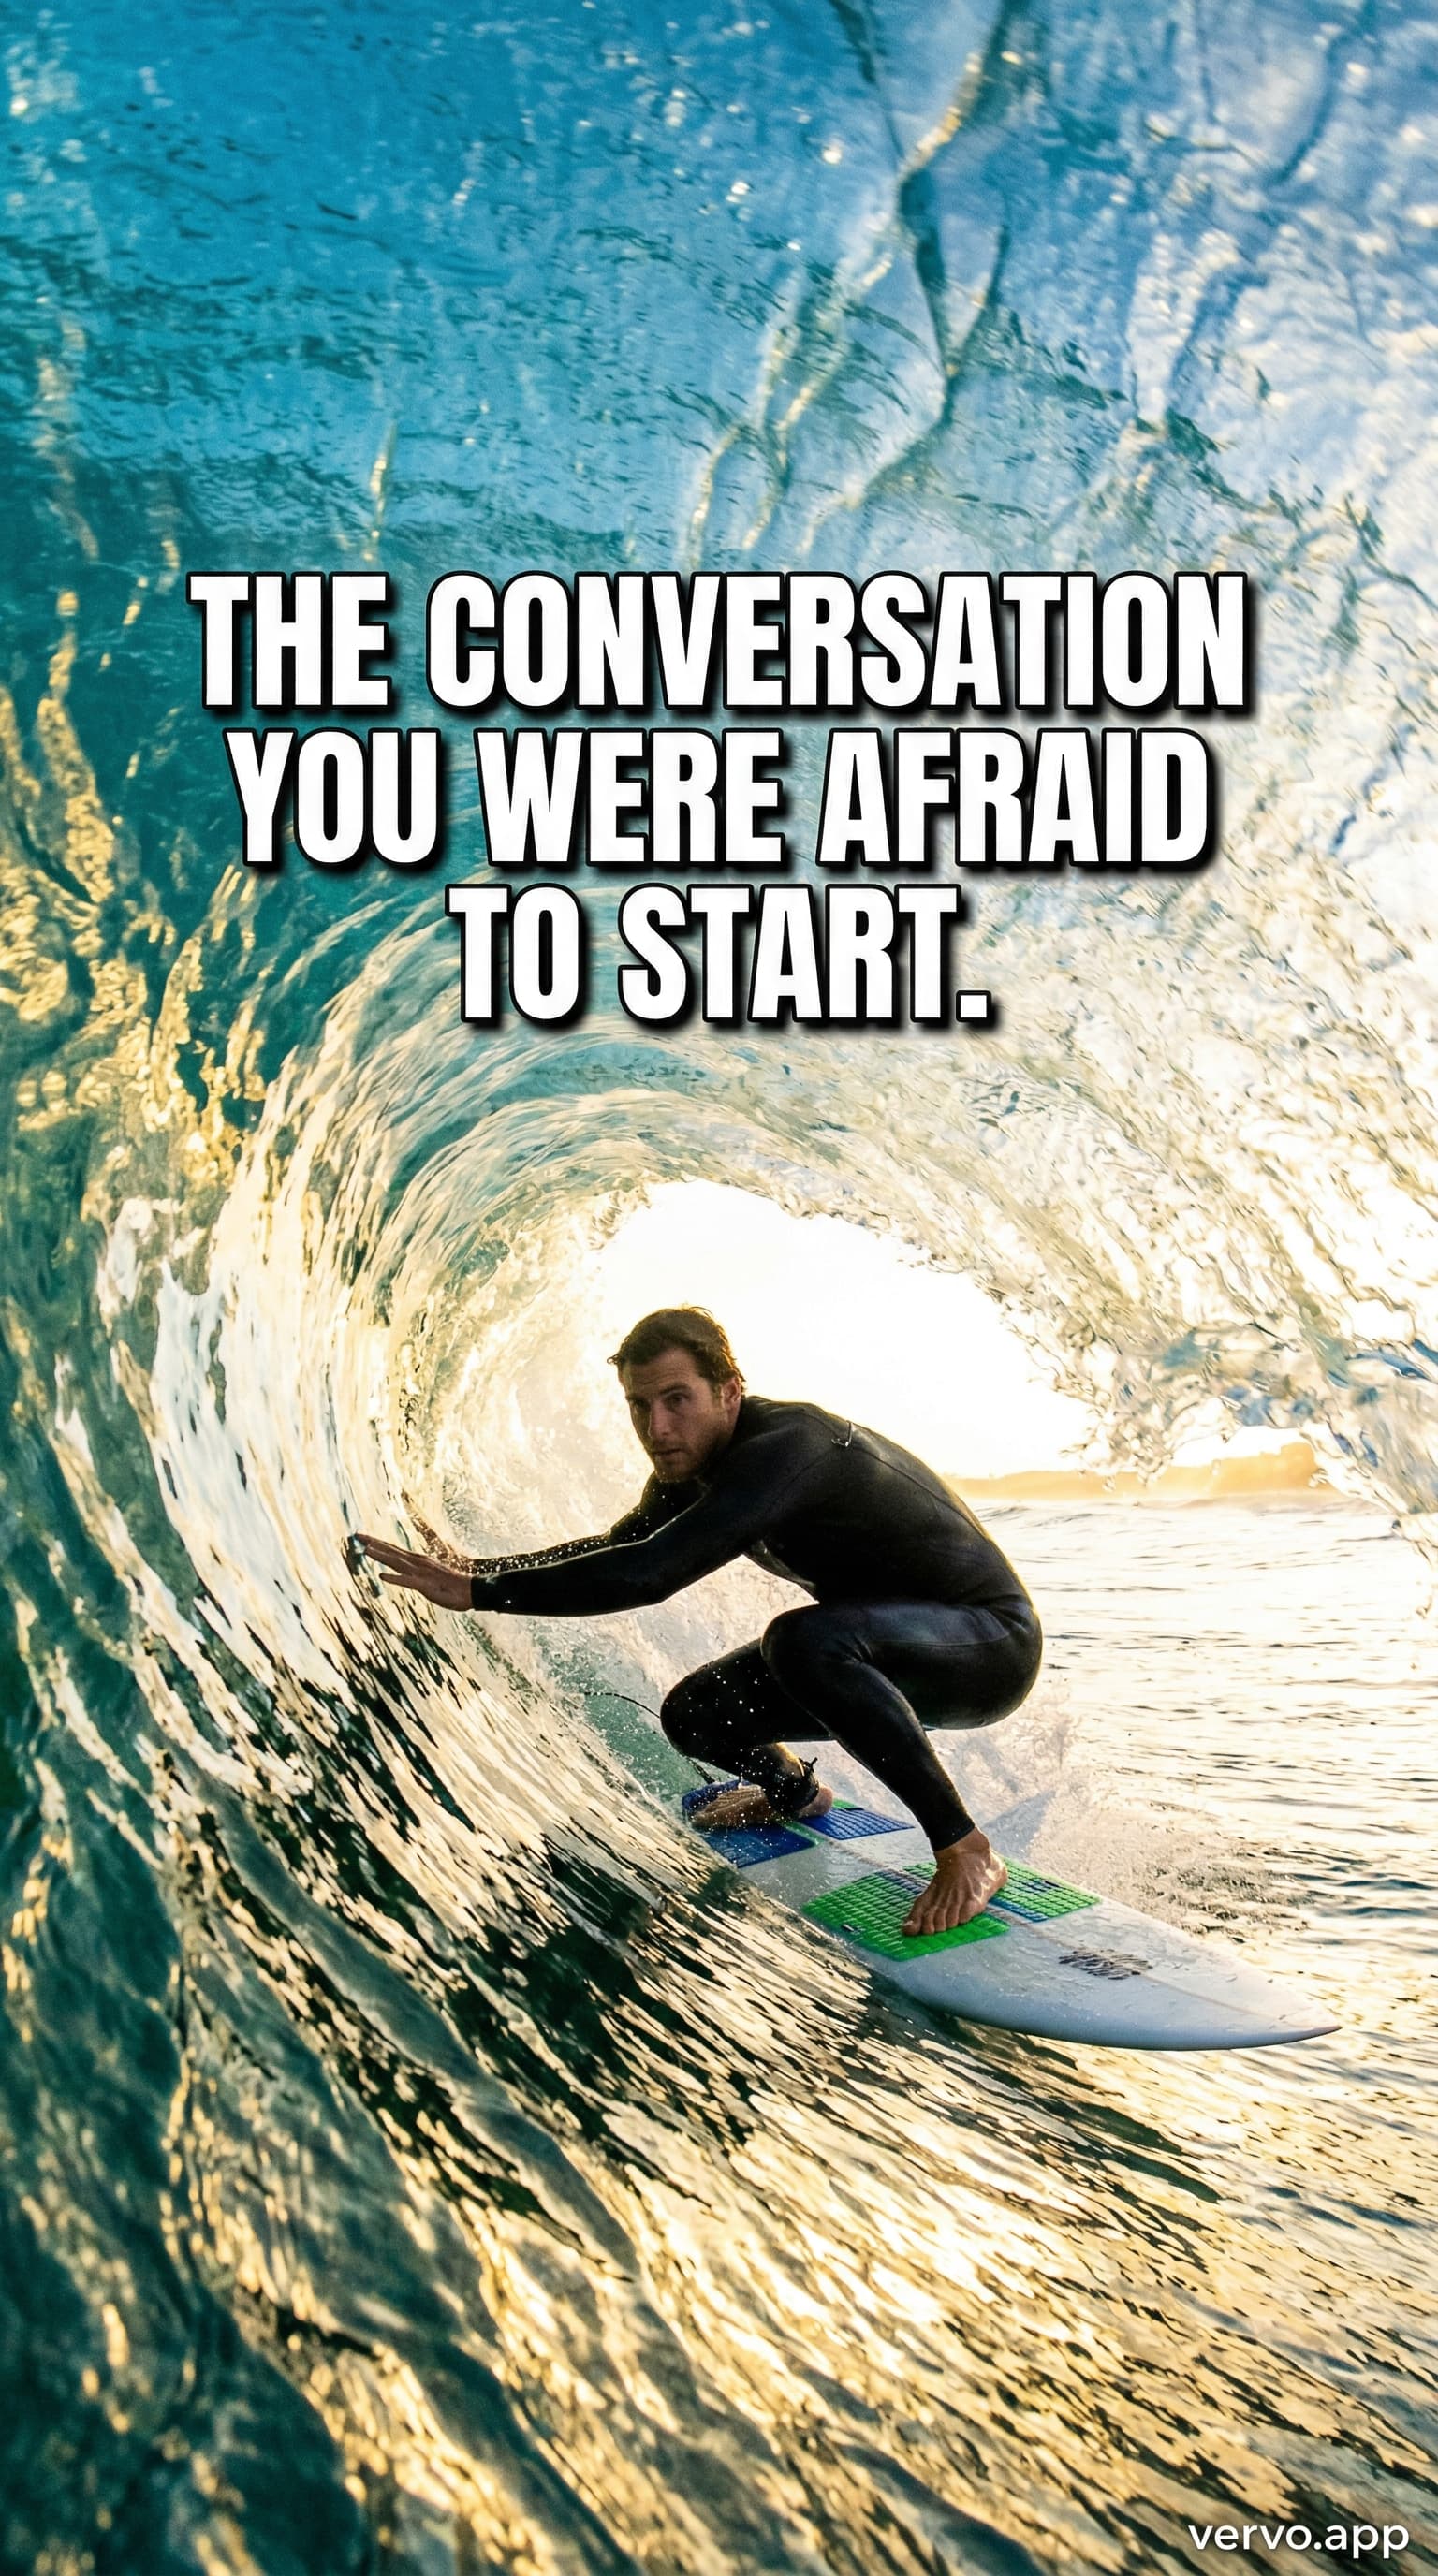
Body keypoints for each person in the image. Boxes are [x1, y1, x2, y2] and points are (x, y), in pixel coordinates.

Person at [355, 1308, 1042, 1936]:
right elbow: (619, 1548)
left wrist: (480, 1594)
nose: (658, 1427)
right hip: (885, 1646)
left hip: (987, 1647)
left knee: (801, 1640)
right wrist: (477, 1569)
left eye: (677, 1400)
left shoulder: (789, 1447)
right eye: (640, 1406)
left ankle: (965, 1849)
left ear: (730, 1392)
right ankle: (794, 1793)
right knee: (696, 1716)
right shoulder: (689, 1472)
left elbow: (648, 1575)